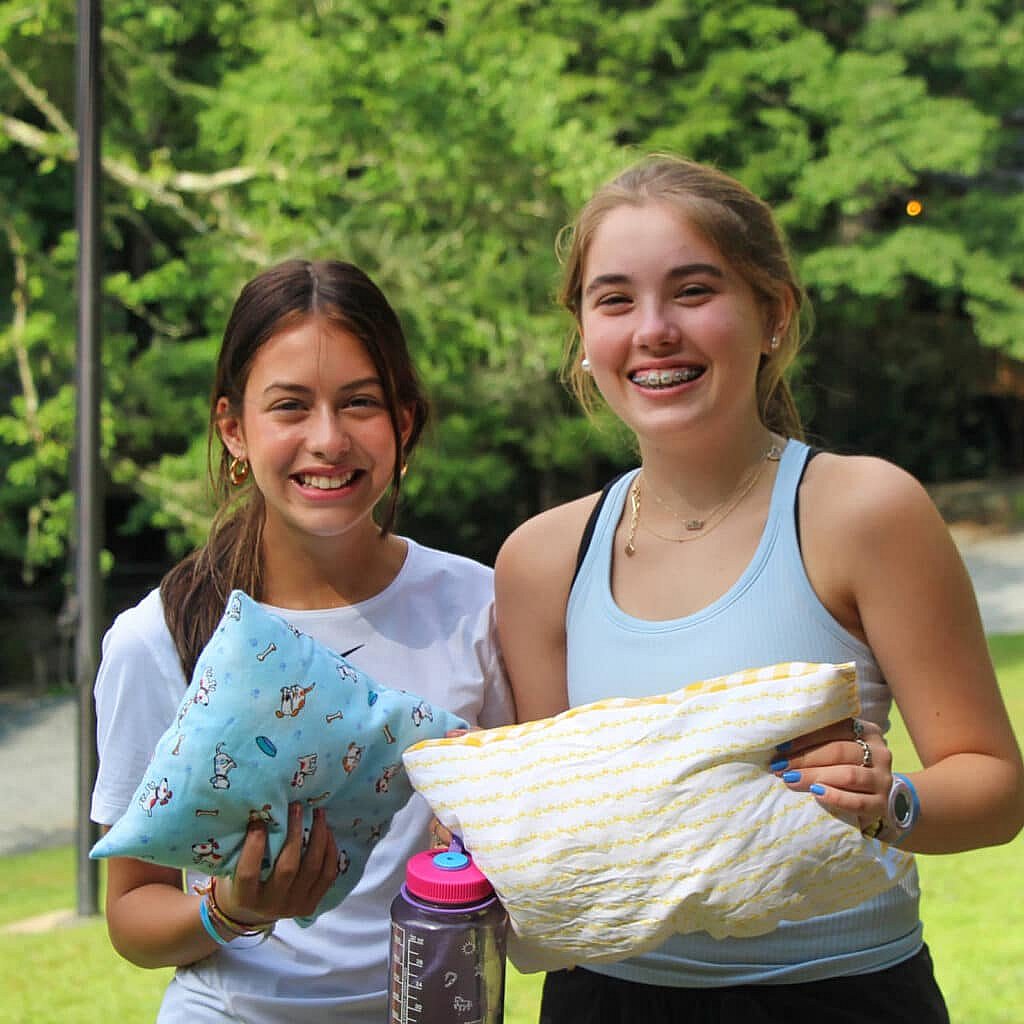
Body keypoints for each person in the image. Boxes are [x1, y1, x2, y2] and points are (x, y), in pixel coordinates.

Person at [494, 155, 1024, 1023]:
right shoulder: (541, 559)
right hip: (606, 1001)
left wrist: (890, 802)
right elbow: (564, 836)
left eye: (694, 291)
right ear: (585, 336)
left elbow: (996, 787)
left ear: (772, 314)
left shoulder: (864, 511)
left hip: (843, 999)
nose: (654, 330)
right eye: (616, 299)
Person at [90, 258, 514, 1023]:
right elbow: (133, 915)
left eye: (360, 403)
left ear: (405, 422)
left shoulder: (481, 603)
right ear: (233, 428)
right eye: (290, 406)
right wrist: (232, 909)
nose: (328, 439)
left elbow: (529, 843)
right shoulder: (157, 636)